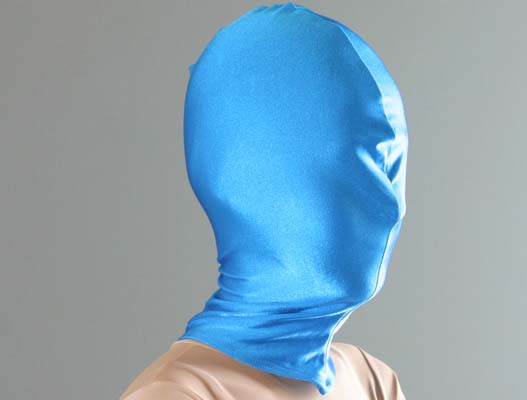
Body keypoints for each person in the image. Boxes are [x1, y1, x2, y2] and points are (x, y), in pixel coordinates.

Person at [119, 2, 409, 399]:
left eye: (390, 168)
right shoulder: (177, 394)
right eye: (351, 172)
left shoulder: (370, 379)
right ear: (253, 183)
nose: (390, 209)